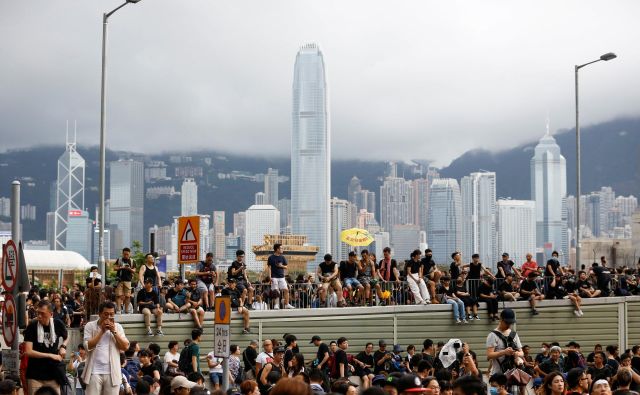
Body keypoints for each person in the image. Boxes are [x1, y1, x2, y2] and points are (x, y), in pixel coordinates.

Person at [82, 301, 130, 395]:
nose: (108, 317)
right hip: (94, 372)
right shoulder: (90, 326)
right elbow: (87, 346)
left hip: (113, 373)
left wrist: (114, 332)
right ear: (100, 314)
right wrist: (102, 331)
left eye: (111, 314)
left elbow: (125, 346)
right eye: (106, 314)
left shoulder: (118, 327)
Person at [24, 300, 69, 395]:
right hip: (35, 375)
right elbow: (28, 351)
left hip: (53, 374)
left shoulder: (58, 324)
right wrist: (50, 355)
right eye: (38, 313)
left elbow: (66, 336)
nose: (39, 316)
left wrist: (63, 346)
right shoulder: (32, 326)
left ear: (51, 314)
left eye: (42, 313)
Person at [486, 308, 523, 376]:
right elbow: (489, 355)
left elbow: (522, 353)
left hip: (513, 373)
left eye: (510, 323)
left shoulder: (514, 334)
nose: (509, 325)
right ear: (501, 319)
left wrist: (517, 353)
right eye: (507, 322)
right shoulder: (493, 335)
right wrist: (504, 352)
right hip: (498, 373)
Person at [268, 244, 294, 309]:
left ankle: (287, 304)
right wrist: (270, 277)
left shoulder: (282, 257)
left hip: (281, 276)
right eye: (281, 248)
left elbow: (286, 267)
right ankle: (276, 304)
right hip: (274, 277)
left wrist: (281, 266)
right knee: (276, 291)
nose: (282, 249)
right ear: (277, 249)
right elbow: (269, 268)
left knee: (286, 289)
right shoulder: (271, 257)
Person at [113, 247, 135, 314]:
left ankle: (126, 310)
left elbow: (134, 270)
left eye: (127, 254)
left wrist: (129, 268)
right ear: (122, 253)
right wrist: (121, 267)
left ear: (129, 254)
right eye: (125, 254)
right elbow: (114, 268)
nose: (126, 255)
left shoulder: (132, 261)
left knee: (128, 296)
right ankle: (119, 310)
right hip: (119, 280)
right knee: (118, 295)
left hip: (128, 280)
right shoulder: (119, 260)